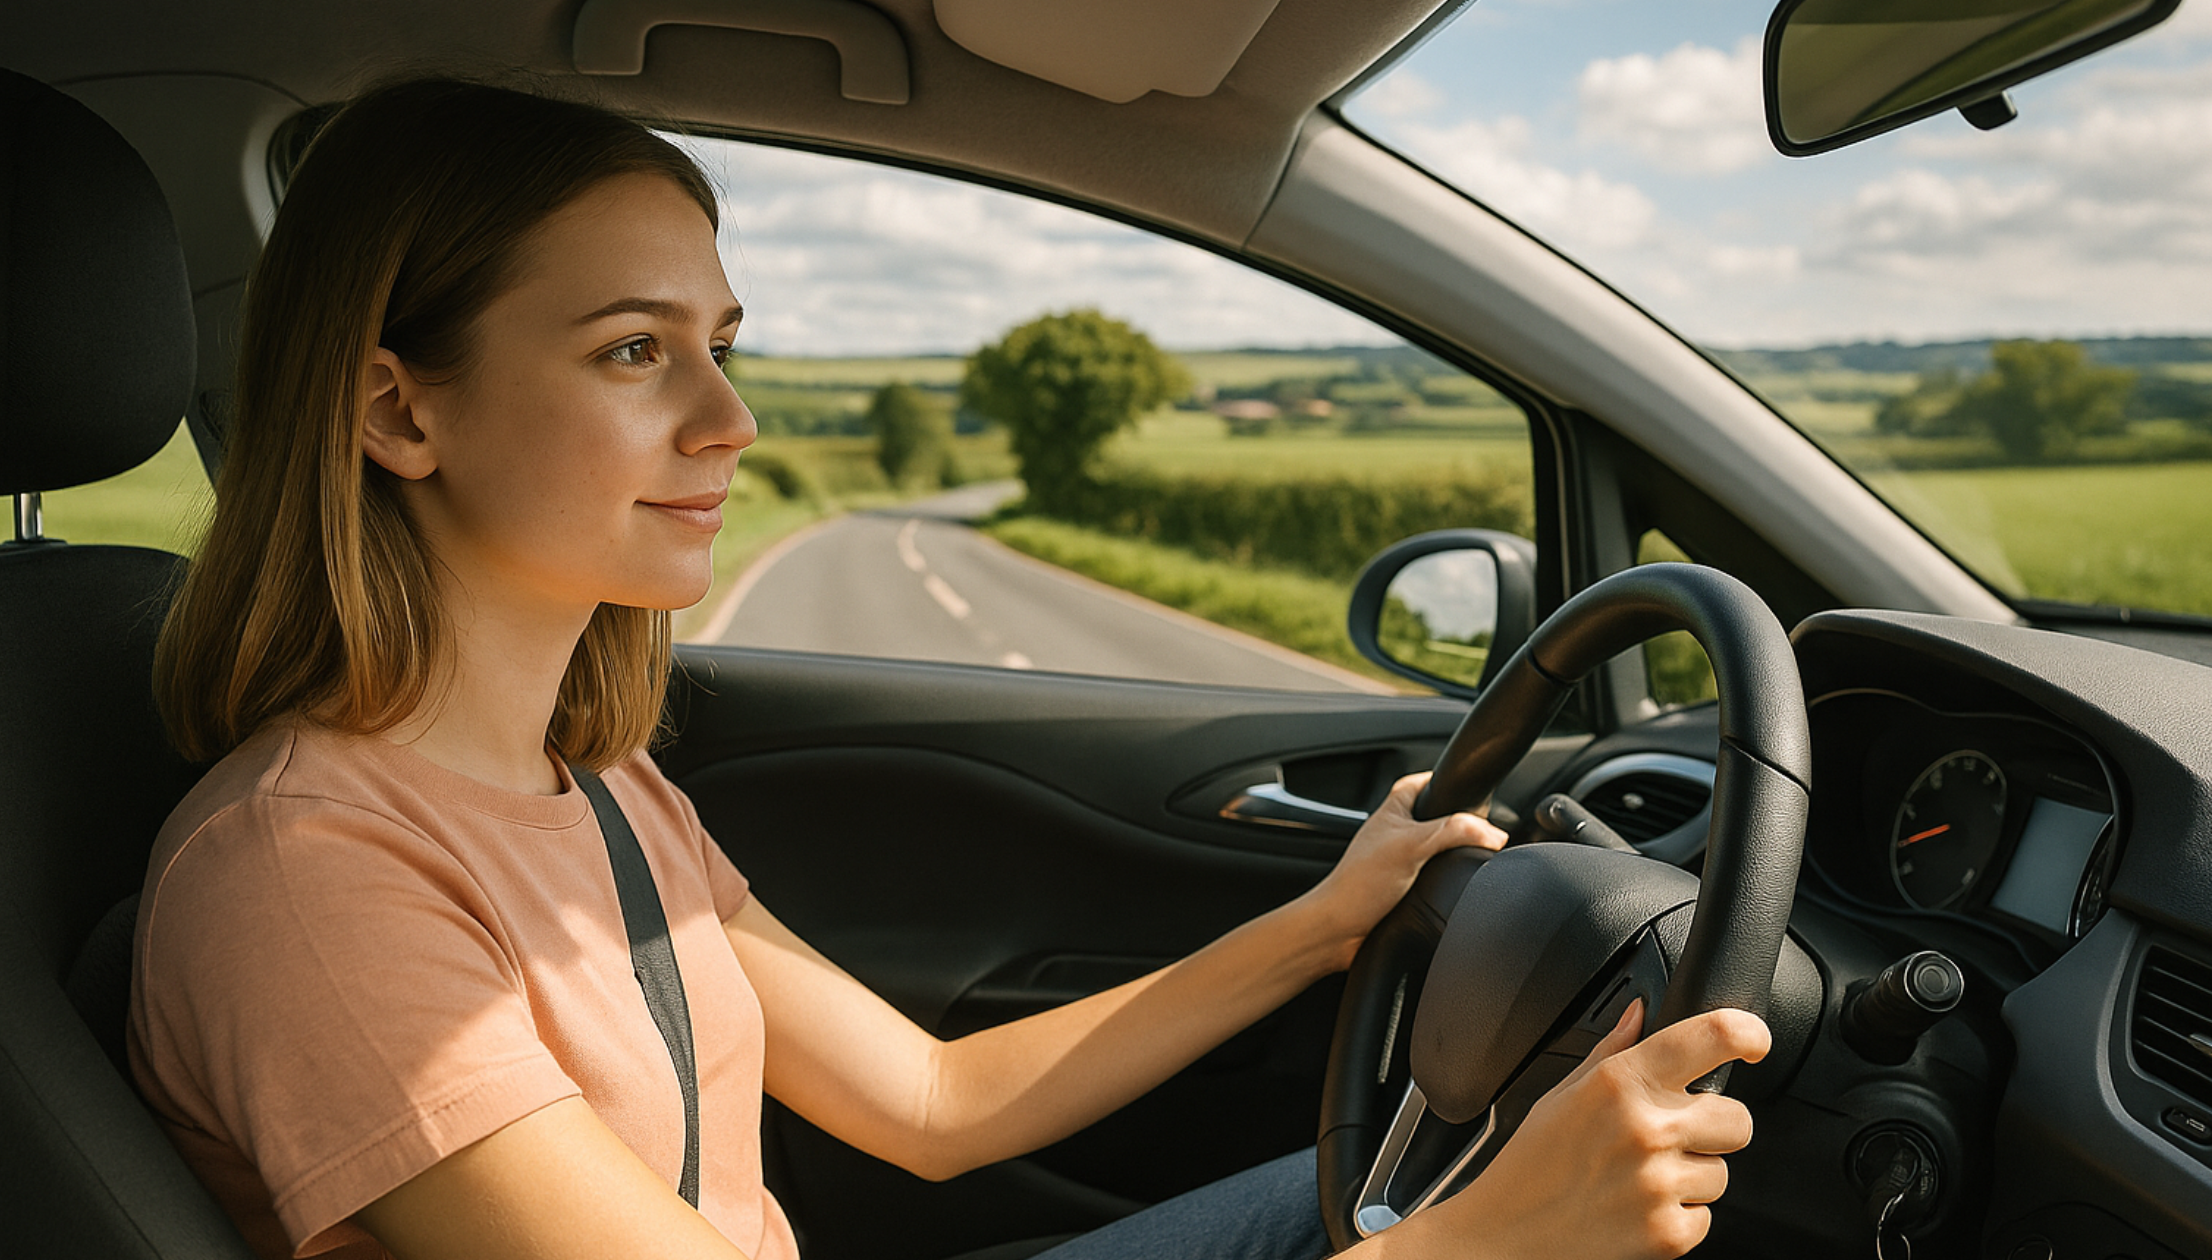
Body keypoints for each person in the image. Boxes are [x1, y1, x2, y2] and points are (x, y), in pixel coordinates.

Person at [133, 76, 1769, 1260]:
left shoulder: (598, 788)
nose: (730, 420)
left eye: (724, 343)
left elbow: (930, 1101)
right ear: (399, 410)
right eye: (635, 350)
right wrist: (1483, 1253)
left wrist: (1325, 924)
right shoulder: (310, 881)